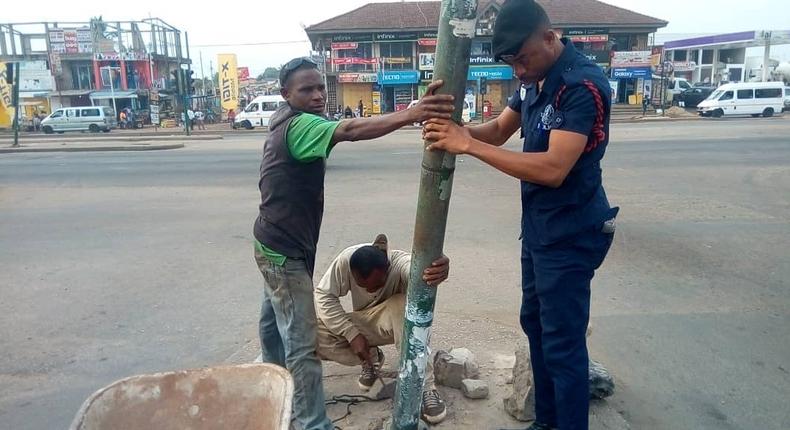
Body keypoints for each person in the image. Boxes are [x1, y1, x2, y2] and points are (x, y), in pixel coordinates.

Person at [422, 1, 617, 429]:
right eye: (511, 63)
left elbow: (552, 168)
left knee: (563, 345)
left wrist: (467, 145)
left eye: (522, 59)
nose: (518, 71)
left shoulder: (580, 85)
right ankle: (545, 421)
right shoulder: (536, 78)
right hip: (541, 231)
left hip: (572, 232)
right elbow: (496, 131)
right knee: (537, 327)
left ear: (550, 37)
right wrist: (448, 129)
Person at [252, 56, 453, 430]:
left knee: (271, 324)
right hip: (283, 250)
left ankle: (269, 387)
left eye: (319, 88)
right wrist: (412, 115)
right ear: (286, 94)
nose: (316, 96)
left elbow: (409, 265)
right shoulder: (298, 125)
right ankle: (313, 422)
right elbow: (351, 129)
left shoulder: (283, 119)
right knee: (300, 343)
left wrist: (435, 266)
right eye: (306, 90)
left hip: (269, 241)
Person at [315, 234, 450, 424]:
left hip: (393, 322)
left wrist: (437, 265)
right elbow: (324, 296)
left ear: (386, 270)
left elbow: (419, 269)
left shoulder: (400, 263)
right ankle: (371, 358)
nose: (370, 291)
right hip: (364, 323)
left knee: (401, 305)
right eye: (363, 287)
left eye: (375, 286)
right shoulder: (346, 260)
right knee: (309, 331)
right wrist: (351, 333)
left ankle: (426, 387)